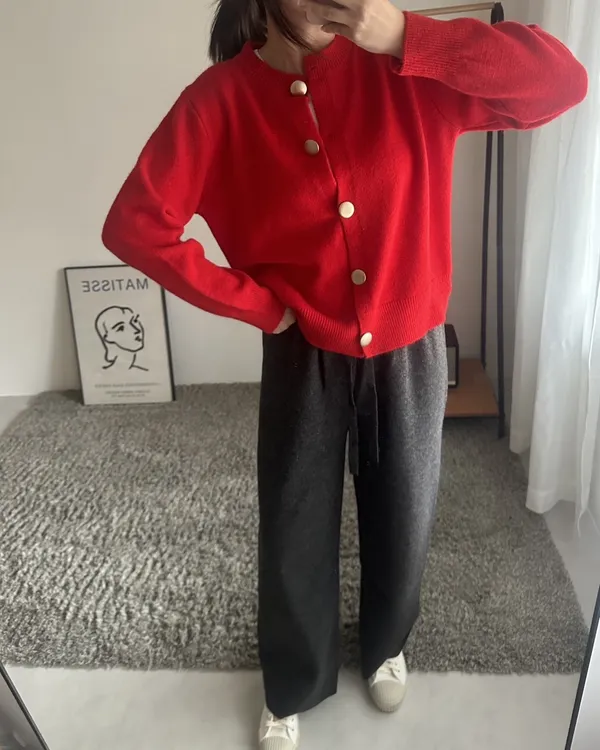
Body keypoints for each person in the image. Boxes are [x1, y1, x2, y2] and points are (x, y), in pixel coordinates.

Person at [101, 1, 587, 747]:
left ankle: (387, 643)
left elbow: (562, 84)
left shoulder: (406, 69)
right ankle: (295, 680)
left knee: (405, 509)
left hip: (410, 343)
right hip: (303, 351)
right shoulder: (218, 103)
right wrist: (260, 307)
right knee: (294, 520)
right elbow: (137, 224)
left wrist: (407, 36)